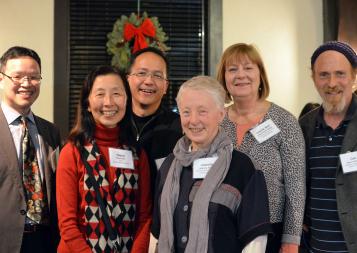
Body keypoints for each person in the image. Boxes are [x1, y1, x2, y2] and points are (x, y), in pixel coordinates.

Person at [150, 76, 272, 253]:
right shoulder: (168, 166)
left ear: (221, 115)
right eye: (186, 112)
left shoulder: (242, 168)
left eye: (202, 111)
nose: (193, 120)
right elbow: (156, 234)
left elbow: (255, 242)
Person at [217, 43, 305, 253]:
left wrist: (291, 240)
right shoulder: (217, 121)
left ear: (260, 75)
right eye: (232, 69)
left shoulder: (284, 122)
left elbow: (296, 188)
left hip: (270, 230)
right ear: (224, 78)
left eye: (248, 68)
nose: (241, 75)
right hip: (222, 227)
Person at [56, 66, 152, 253]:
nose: (109, 102)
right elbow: (67, 224)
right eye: (100, 94)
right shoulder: (72, 151)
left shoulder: (137, 154)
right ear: (87, 104)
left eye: (117, 93)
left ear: (127, 100)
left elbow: (144, 218)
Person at [0, 46, 61, 252]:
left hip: (45, 242)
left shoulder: (50, 132)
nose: (26, 84)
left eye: (34, 77)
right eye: (17, 76)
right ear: (1, 78)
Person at [299, 41, 357, 253]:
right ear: (313, 78)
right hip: (315, 247)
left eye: (340, 73)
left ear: (353, 76)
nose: (332, 83)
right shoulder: (304, 126)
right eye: (323, 75)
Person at [126, 47, 182, 194]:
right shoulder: (114, 123)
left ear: (166, 86)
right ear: (128, 80)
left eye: (157, 76)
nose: (149, 81)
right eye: (141, 73)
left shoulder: (180, 128)